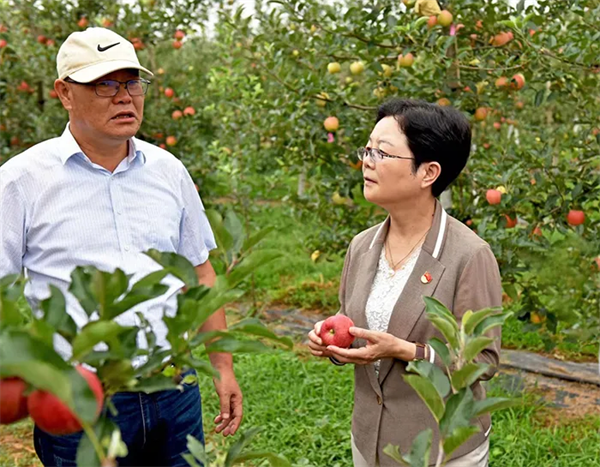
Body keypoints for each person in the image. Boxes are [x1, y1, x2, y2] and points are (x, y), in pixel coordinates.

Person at [0, 28, 242, 466]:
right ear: (64, 93)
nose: (124, 97)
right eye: (104, 84)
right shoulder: (22, 181)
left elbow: (201, 272)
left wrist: (222, 365)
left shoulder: (168, 171)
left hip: (174, 386)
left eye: (131, 82)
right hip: (79, 398)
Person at [308, 99, 501, 467]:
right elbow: (352, 319)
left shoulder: (469, 255)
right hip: (370, 441)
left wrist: (407, 350)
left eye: (382, 153)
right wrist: (330, 338)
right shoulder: (362, 246)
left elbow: (484, 361)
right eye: (367, 149)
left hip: (442, 449)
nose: (367, 161)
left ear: (428, 173)